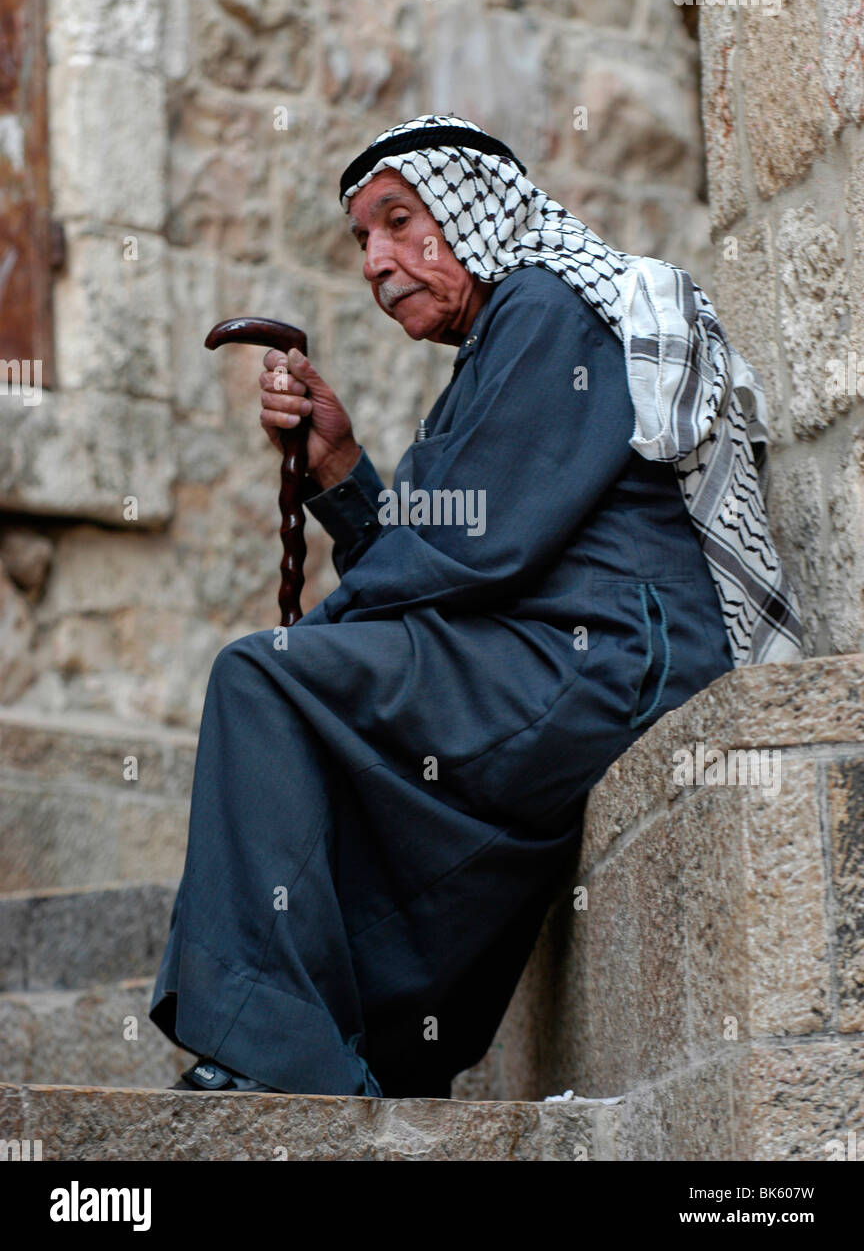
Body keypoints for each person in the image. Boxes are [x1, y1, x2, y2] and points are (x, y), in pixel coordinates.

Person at [149, 114, 801, 1097]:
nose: (376, 260)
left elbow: (465, 551)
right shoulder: (495, 351)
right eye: (361, 239)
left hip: (609, 656)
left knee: (262, 679)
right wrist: (342, 472)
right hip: (552, 658)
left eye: (397, 221)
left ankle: (283, 1060)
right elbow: (439, 567)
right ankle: (360, 1051)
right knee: (323, 725)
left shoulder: (546, 311)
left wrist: (308, 652)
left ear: (471, 213)